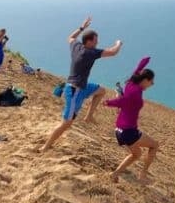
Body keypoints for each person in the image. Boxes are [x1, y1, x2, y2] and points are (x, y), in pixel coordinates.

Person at [39, 17, 122, 152]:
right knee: (66, 124)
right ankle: (46, 146)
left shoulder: (76, 46)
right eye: (96, 40)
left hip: (82, 86)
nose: (98, 42)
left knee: (101, 90)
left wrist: (82, 27)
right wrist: (118, 43)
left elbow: (70, 38)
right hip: (74, 91)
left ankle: (89, 116)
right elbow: (113, 52)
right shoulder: (91, 52)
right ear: (89, 42)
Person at [104, 57, 159, 185]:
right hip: (128, 131)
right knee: (154, 145)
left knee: (136, 154)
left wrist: (144, 61)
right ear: (145, 80)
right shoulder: (135, 92)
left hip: (119, 129)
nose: (152, 85)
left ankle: (114, 174)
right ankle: (142, 176)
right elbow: (123, 101)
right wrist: (108, 102)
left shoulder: (131, 83)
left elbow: (137, 70)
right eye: (151, 82)